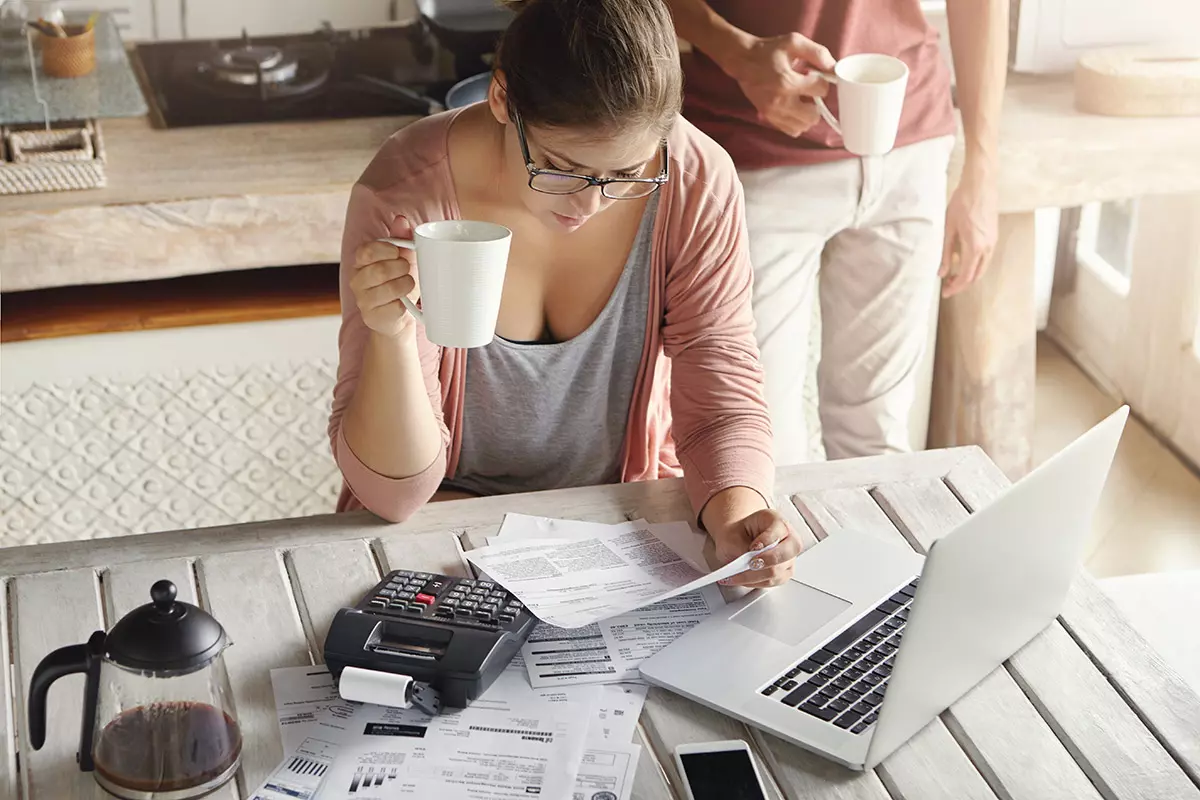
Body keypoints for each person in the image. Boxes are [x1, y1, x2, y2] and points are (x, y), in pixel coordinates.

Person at [328, 0, 802, 588]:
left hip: (613, 532)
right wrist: (393, 336)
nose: (589, 205)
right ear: (503, 100)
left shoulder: (695, 181)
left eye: (626, 175)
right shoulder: (404, 195)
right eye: (560, 167)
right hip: (437, 531)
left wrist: (737, 512)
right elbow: (391, 496)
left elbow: (718, 384)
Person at [668, 0, 1006, 465]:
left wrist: (982, 171)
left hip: (909, 141)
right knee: (761, 448)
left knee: (877, 437)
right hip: (750, 152)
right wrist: (736, 51)